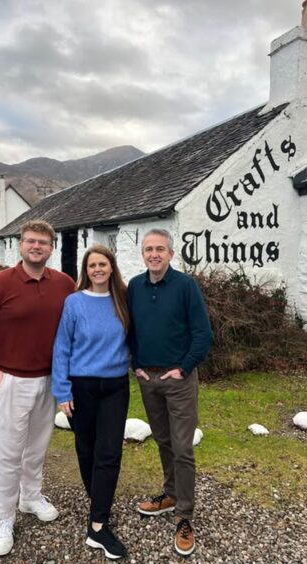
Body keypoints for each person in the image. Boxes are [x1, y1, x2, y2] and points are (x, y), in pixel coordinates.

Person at [0, 220, 75, 556]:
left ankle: (30, 498)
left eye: (43, 242)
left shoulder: (65, 284)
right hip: (10, 381)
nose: (36, 246)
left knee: (36, 449)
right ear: (21, 245)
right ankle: (4, 518)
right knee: (7, 453)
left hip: (49, 381)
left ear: (51, 247)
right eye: (30, 241)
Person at [127, 228, 213, 557]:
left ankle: (185, 516)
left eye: (160, 249)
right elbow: (130, 327)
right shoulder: (135, 286)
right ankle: (170, 494)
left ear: (171, 254)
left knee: (182, 448)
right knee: (163, 441)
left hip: (178, 379)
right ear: (143, 254)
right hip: (148, 379)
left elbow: (203, 333)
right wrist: (136, 364)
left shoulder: (185, 286)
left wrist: (185, 367)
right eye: (149, 249)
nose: (154, 254)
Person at [52, 244, 130, 560]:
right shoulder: (74, 303)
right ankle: (99, 501)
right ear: (86, 270)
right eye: (92, 265)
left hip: (115, 387)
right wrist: (62, 391)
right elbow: (62, 348)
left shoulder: (123, 300)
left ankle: (97, 525)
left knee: (109, 452)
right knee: (86, 449)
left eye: (103, 264)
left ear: (112, 268)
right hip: (80, 387)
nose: (97, 269)